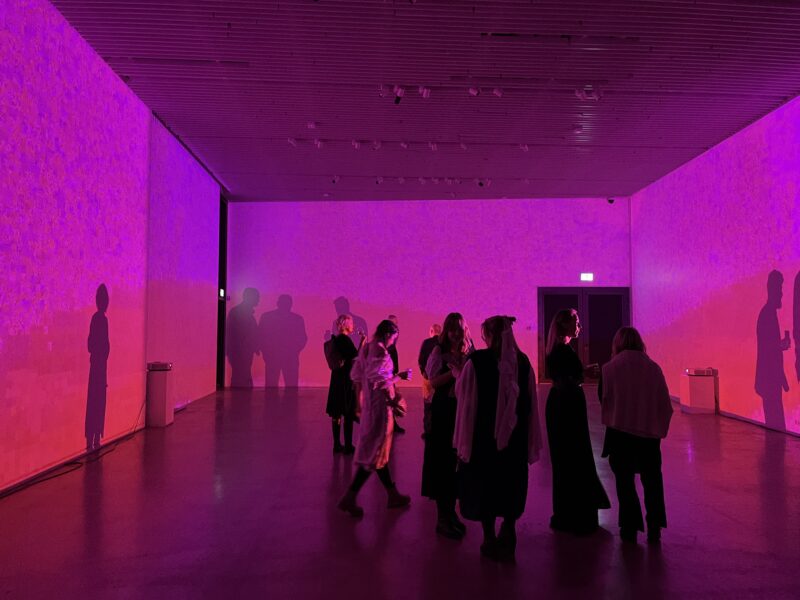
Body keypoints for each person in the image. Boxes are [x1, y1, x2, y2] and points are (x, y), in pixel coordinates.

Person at [454, 315, 542, 561]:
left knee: (486, 485)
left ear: (489, 335)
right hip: (515, 441)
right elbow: (530, 404)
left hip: (483, 439)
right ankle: (509, 529)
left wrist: (463, 443)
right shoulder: (523, 362)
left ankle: (489, 537)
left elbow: (467, 404)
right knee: (511, 483)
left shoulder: (476, 362)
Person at [599, 327, 673, 544]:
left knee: (625, 483)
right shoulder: (654, 369)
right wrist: (657, 429)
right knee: (652, 481)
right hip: (649, 436)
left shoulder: (609, 369)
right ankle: (655, 527)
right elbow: (664, 405)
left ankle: (629, 526)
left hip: (620, 435)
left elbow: (605, 399)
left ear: (617, 344)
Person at [545, 309, 610, 534]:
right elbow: (566, 378)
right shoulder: (562, 350)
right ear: (565, 325)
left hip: (564, 404)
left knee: (567, 457)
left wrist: (580, 372)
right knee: (573, 455)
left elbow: (563, 375)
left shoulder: (559, 350)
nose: (580, 326)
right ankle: (576, 515)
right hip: (567, 406)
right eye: (576, 322)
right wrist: (583, 373)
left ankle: (567, 512)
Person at [338, 320, 412, 517]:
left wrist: (358, 403)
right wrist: (399, 377)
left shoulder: (367, 348)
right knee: (376, 452)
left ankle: (392, 494)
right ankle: (350, 497)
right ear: (388, 334)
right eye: (393, 339)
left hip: (371, 407)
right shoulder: (380, 351)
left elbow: (356, 376)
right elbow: (378, 382)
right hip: (380, 409)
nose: (393, 343)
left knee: (378, 452)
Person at [421, 313, 474, 539]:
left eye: (458, 329)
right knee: (442, 464)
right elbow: (433, 381)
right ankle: (442, 518)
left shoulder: (468, 350)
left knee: (456, 464)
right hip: (444, 412)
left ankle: (451, 514)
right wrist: (454, 373)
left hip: (461, 411)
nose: (455, 333)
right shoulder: (438, 352)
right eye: (451, 329)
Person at [326, 314, 366, 454]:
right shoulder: (344, 340)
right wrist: (363, 342)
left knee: (336, 412)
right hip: (345, 381)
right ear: (345, 324)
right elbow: (356, 358)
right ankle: (348, 446)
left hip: (337, 379)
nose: (353, 325)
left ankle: (337, 444)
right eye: (351, 323)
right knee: (347, 412)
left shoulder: (338, 339)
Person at [258, 294, 308, 388]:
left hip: (274, 357)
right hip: (289, 358)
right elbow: (303, 338)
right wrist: (294, 351)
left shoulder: (267, 317)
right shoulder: (297, 319)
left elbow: (261, 336)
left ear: (277, 303)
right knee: (290, 388)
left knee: (271, 387)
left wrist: (266, 352)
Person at [225, 288, 260, 388]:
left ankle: (241, 395)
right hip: (240, 352)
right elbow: (238, 333)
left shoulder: (237, 312)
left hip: (241, 351)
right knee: (241, 377)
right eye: (257, 297)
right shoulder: (240, 313)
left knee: (241, 376)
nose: (258, 299)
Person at [418, 323, 443, 438]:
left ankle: (428, 431)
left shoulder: (426, 343)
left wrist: (423, 372)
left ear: (431, 331)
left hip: (427, 378)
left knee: (428, 405)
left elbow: (421, 360)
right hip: (440, 378)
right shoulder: (443, 343)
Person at [387, 314, 405, 434]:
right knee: (390, 398)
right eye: (395, 324)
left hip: (391, 373)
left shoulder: (391, 345)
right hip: (388, 375)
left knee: (391, 398)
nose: (397, 327)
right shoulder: (388, 345)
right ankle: (391, 424)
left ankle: (392, 423)